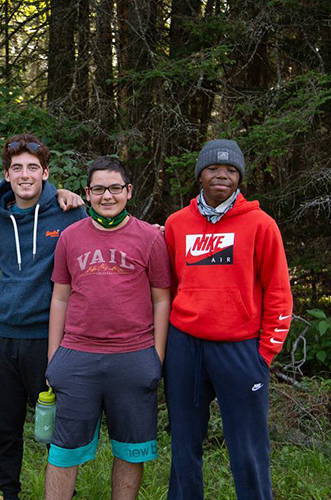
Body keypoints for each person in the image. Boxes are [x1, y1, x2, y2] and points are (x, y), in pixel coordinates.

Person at [163, 139, 293, 500]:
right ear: (199, 175)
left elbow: (279, 291)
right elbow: (169, 287)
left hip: (241, 349)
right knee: (184, 441)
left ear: (240, 179)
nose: (222, 175)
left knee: (248, 446)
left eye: (231, 170)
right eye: (213, 169)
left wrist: (265, 353)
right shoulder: (176, 224)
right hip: (185, 346)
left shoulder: (261, 225)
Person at [45, 156, 171, 500]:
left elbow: (162, 299)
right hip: (77, 356)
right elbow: (60, 298)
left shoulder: (150, 238)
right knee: (63, 449)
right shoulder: (70, 237)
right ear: (87, 193)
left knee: (131, 450)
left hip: (133, 356)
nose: (107, 196)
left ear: (128, 191)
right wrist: (54, 358)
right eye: (99, 189)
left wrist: (156, 357)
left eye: (115, 188)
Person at [0, 134, 85, 500]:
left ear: (45, 172)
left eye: (32, 167)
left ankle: (61, 494)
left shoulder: (70, 212)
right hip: (3, 336)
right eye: (16, 168)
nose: (24, 175)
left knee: (53, 428)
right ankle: (8, 492)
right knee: (4, 427)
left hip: (50, 337)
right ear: (7, 175)